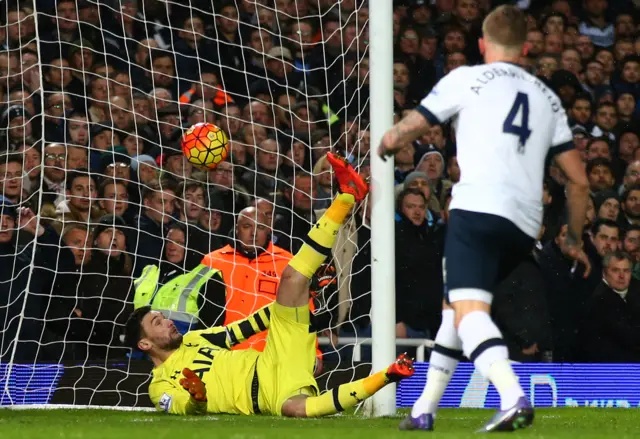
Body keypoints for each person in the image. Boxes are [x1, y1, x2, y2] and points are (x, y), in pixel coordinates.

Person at [378, 5, 590, 432]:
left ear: (480, 45)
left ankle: (512, 396)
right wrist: (574, 238)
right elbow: (580, 181)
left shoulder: (467, 78)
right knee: (453, 308)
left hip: (476, 212)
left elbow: (410, 129)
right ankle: (424, 409)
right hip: (524, 226)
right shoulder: (548, 97)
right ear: (527, 48)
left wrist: (387, 139)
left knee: (469, 311)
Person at [124, 153, 414, 417]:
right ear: (144, 343)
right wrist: (197, 398)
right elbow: (180, 406)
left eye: (162, 317)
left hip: (273, 351)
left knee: (291, 278)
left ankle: (347, 196)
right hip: (265, 395)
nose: (168, 323)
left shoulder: (195, 339)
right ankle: (388, 374)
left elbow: (245, 327)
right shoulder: (159, 385)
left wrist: (300, 298)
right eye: (157, 322)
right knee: (299, 409)